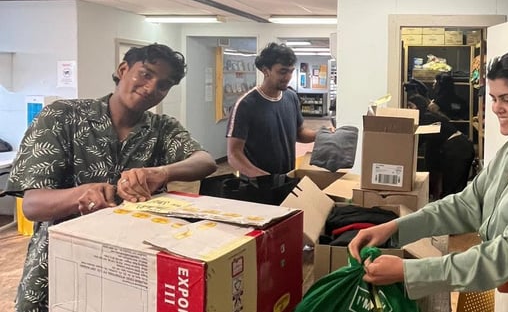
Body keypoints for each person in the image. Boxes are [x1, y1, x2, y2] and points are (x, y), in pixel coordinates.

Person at [349, 41, 508, 311]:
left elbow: (506, 256)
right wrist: (395, 227)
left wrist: (409, 271)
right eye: (494, 98)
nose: (496, 108)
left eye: (507, 99)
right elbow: (466, 205)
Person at [4, 43, 217, 312]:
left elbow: (205, 161)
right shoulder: (62, 117)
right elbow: (33, 206)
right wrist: (82, 194)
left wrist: (162, 172)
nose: (151, 88)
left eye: (163, 85)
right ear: (123, 69)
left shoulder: (162, 129)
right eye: (146, 74)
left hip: (131, 269)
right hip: (59, 267)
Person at [226, 42, 317, 176]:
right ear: (265, 70)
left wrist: (323, 136)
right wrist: (264, 178)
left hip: (286, 179)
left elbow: (300, 133)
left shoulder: (291, 97)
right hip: (256, 187)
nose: (288, 77)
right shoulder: (246, 104)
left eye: (290, 71)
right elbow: (234, 154)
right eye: (282, 72)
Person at [407, 94, 475, 199]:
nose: (408, 109)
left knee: (452, 189)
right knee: (456, 188)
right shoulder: (430, 116)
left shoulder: (425, 118)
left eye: (410, 106)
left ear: (418, 106)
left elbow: (418, 141)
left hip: (457, 149)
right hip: (461, 146)